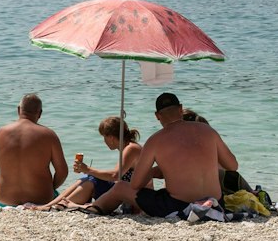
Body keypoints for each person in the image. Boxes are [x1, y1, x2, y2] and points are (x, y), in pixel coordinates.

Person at [92, 92, 237, 218]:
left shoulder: (155, 140)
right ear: (180, 109)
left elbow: (136, 184)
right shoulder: (207, 130)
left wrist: (154, 172)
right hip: (216, 203)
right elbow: (232, 165)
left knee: (120, 187)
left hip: (178, 205)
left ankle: (95, 208)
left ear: (157, 116)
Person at [37, 117, 140, 210]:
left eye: (104, 137)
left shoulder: (131, 149)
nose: (104, 141)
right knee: (88, 178)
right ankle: (53, 204)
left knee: (91, 178)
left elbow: (115, 175)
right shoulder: (128, 147)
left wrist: (88, 169)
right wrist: (88, 172)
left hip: (133, 199)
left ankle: (60, 205)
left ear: (111, 137)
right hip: (124, 195)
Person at [0, 93, 69, 207]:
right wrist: (50, 188)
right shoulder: (49, 135)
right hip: (41, 201)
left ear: (18, 110)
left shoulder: (1, 132)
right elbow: (62, 172)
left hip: (5, 201)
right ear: (40, 113)